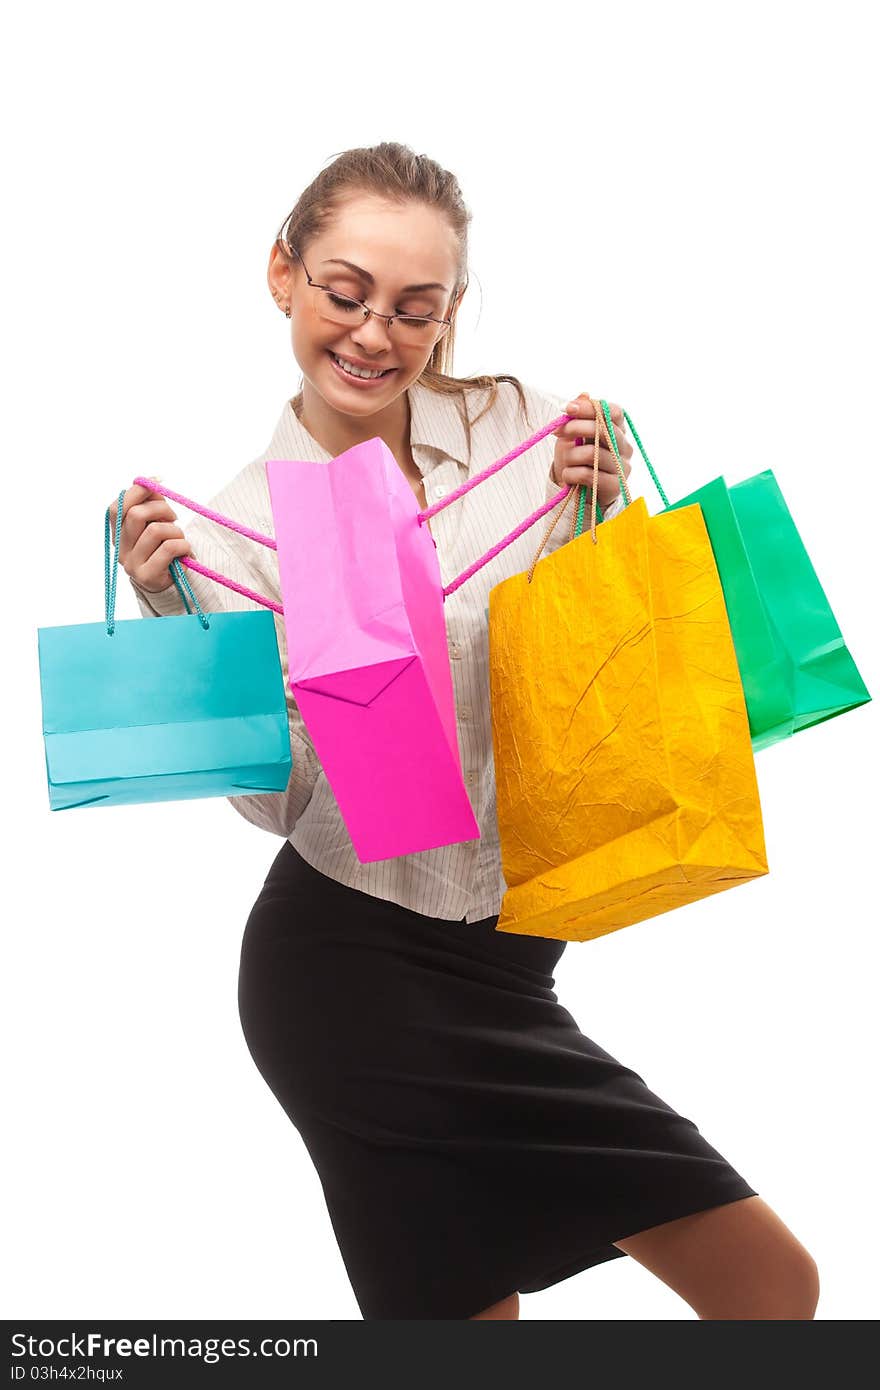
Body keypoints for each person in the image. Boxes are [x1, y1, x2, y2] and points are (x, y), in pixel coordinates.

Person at [110, 142, 819, 1321]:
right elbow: (276, 804)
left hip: (513, 951)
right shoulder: (234, 531)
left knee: (763, 1290)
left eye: (414, 309)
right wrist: (183, 626)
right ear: (282, 275)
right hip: (345, 965)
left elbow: (590, 680)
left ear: (449, 314)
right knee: (674, 1302)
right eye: (344, 294)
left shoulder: (531, 433)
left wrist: (607, 519)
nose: (374, 335)